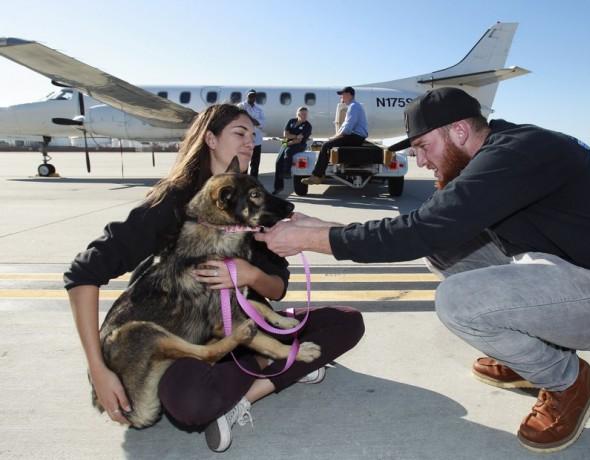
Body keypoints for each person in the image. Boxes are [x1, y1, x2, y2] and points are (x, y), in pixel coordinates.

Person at [255, 87, 590, 453]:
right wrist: (320, 226)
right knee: (445, 248)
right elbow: (428, 227)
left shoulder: (513, 157)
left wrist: (310, 240)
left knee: (458, 302)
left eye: (424, 147)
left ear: (458, 131)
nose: (421, 161)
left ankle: (568, 382)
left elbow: (416, 231)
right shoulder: (508, 147)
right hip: (578, 271)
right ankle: (531, 356)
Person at [64, 103, 365, 453]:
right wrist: (98, 369)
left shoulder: (257, 200)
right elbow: (83, 272)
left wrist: (248, 273)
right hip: (185, 342)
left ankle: (250, 389)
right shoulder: (173, 202)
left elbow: (277, 288)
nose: (250, 142)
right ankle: (276, 363)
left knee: (348, 322)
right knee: (191, 403)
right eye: (240, 133)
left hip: (246, 324)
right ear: (210, 139)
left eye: (253, 135)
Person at [301, 86, 368, 185]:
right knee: (328, 144)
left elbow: (348, 127)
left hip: (355, 137)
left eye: (343, 95)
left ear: (349, 95)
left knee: (326, 146)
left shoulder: (353, 106)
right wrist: (335, 136)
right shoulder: (353, 106)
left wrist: (336, 137)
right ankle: (320, 174)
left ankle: (317, 176)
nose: (341, 97)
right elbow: (345, 125)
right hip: (355, 137)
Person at [272, 106, 312, 194]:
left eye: (306, 114)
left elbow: (299, 140)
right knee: (278, 162)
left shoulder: (307, 126)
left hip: (299, 145)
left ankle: (287, 171)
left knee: (288, 152)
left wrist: (290, 140)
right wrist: (295, 136)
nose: (304, 116)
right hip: (286, 143)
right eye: (302, 114)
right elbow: (285, 134)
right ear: (298, 114)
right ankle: (278, 187)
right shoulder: (291, 121)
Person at [237, 89, 266, 177]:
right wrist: (254, 121)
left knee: (255, 163)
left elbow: (262, 124)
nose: (252, 97)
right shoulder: (241, 106)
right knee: (243, 161)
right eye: (250, 96)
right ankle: (243, 180)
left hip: (256, 140)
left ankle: (254, 180)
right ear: (247, 96)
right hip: (244, 140)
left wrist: (249, 118)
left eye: (253, 96)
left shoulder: (259, 109)